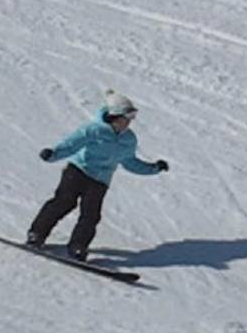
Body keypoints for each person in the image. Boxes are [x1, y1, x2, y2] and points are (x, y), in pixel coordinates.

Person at [27, 90, 169, 261]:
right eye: (127, 117)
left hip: (100, 181)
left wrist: (153, 168)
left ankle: (78, 247)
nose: (129, 122)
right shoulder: (93, 130)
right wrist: (53, 154)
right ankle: (36, 234)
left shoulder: (129, 139)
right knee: (64, 202)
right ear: (114, 116)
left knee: (91, 215)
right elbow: (71, 145)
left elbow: (130, 162)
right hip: (78, 171)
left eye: (132, 117)